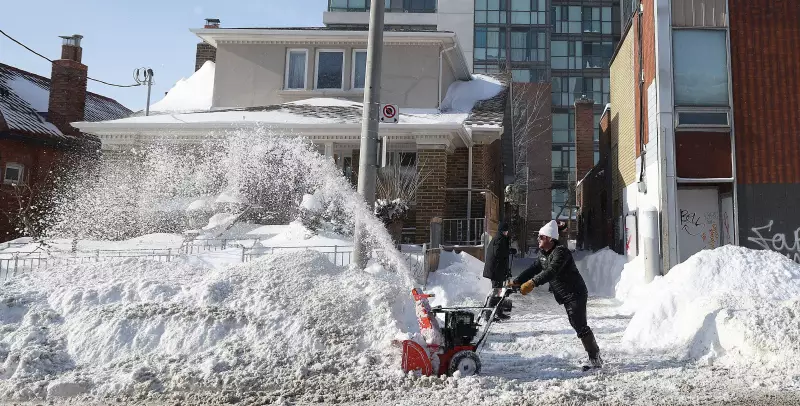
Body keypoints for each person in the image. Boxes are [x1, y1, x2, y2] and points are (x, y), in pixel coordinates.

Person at [508, 220, 603, 370]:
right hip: (565, 295)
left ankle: (595, 360)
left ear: (550, 239)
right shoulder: (543, 254)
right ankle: (595, 357)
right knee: (576, 324)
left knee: (580, 326)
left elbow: (551, 271)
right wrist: (518, 281)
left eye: (541, 237)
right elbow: (534, 268)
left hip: (575, 293)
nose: (538, 239)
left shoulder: (561, 252)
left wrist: (532, 283)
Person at [483, 222, 512, 320]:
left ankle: (498, 312)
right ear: (503, 231)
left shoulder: (500, 238)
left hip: (497, 270)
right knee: (496, 292)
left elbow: (501, 252)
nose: (507, 232)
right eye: (506, 230)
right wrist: (509, 251)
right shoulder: (499, 239)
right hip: (495, 270)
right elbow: (498, 253)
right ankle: (488, 315)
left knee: (499, 291)